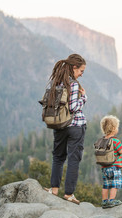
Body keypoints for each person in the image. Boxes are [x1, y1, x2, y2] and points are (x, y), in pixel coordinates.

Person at [44, 54, 87, 205]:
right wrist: (84, 98)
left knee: (58, 157)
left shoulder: (54, 83)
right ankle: (68, 194)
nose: (82, 74)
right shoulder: (73, 84)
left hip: (59, 125)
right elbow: (74, 107)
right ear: (74, 67)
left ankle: (54, 189)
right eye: (81, 70)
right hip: (75, 126)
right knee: (73, 159)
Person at [99, 115, 122, 209]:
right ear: (114, 129)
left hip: (104, 167)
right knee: (115, 184)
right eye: (117, 127)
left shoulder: (102, 141)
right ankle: (111, 200)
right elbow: (121, 151)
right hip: (114, 167)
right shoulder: (115, 140)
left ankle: (104, 201)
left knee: (106, 185)